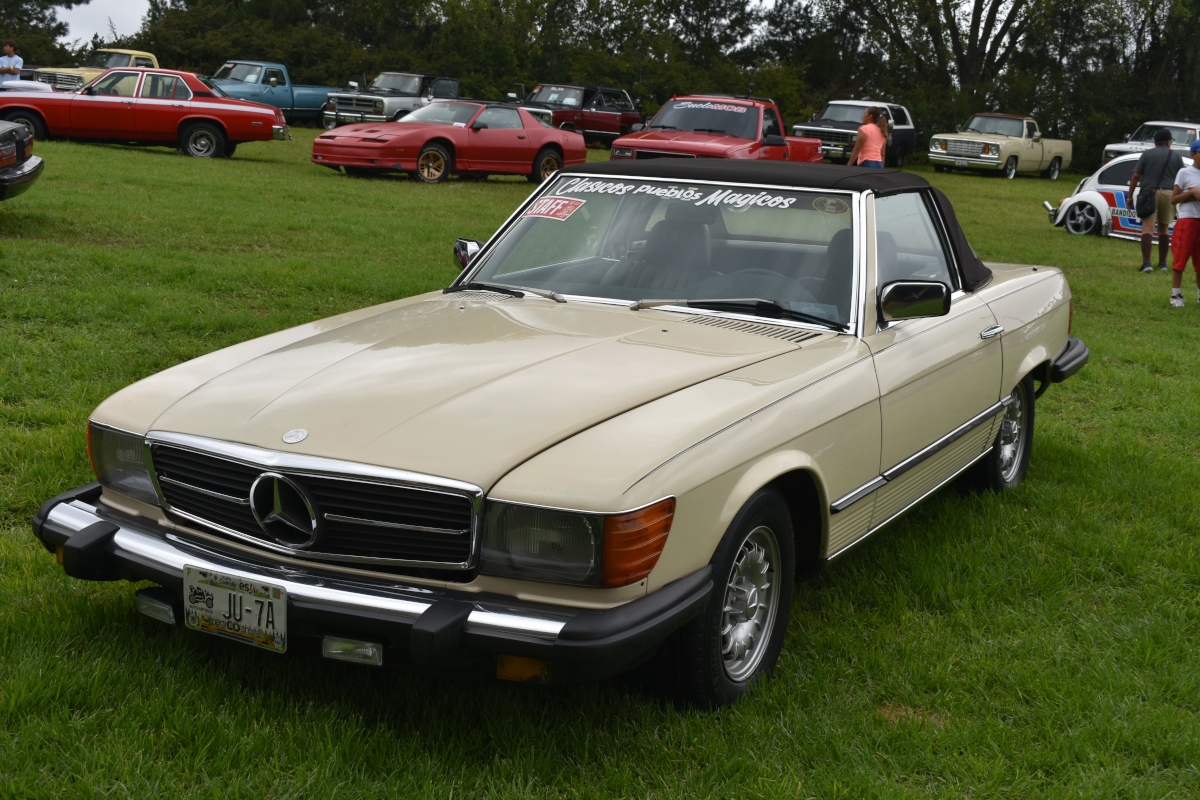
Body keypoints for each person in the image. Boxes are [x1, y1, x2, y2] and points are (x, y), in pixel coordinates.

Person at [1129, 128, 1185, 272]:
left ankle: (1147, 264)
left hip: (1149, 192)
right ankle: (1163, 264)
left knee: (1148, 228)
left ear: (1155, 141)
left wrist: (1130, 196)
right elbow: (1182, 179)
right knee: (1164, 229)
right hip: (1169, 194)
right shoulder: (1176, 156)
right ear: (1168, 142)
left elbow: (1135, 176)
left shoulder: (1147, 154)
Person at [1168, 140, 1200, 307]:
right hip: (1187, 220)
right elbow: (1173, 200)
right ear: (1193, 154)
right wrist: (1192, 193)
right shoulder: (1185, 173)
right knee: (1181, 259)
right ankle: (1176, 295)